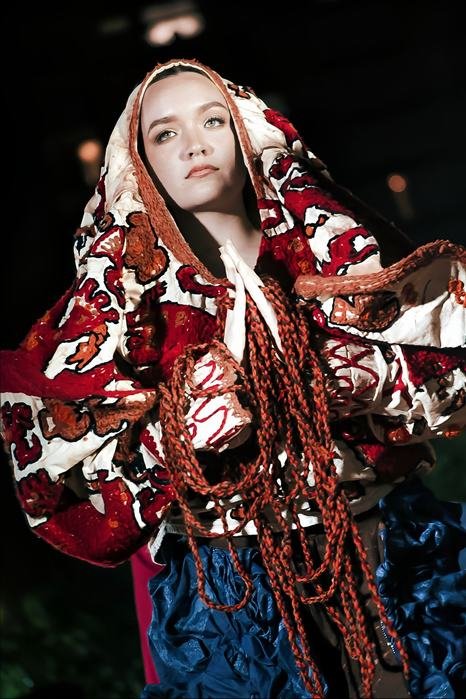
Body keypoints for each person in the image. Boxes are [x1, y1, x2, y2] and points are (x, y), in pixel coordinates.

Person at [1, 58, 465, 699]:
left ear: (247, 133)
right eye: (165, 133)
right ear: (141, 163)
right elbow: (63, 464)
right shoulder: (125, 309)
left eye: (212, 121)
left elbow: (439, 375)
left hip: (380, 548)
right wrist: (178, 434)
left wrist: (366, 378)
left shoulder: (331, 264)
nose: (193, 145)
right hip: (233, 586)